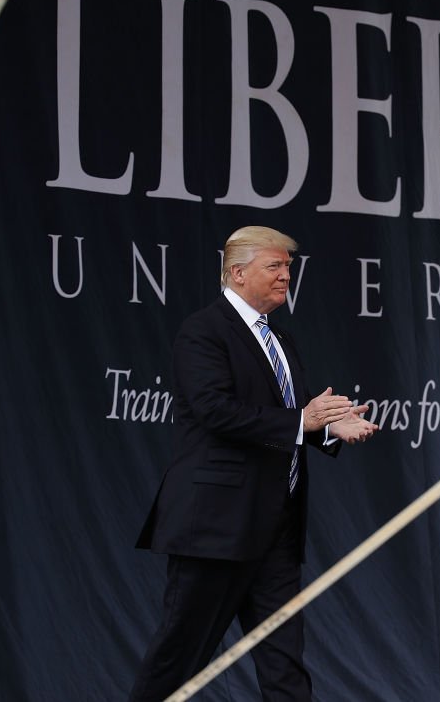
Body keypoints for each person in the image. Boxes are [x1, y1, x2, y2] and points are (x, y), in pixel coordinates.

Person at [129, 226, 378, 702]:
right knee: (181, 656)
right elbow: (213, 410)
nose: (287, 275)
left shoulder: (277, 337)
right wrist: (302, 421)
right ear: (238, 273)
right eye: (275, 266)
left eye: (288, 267)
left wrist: (329, 426)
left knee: (284, 663)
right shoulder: (203, 330)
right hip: (215, 528)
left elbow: (293, 412)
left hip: (276, 532)